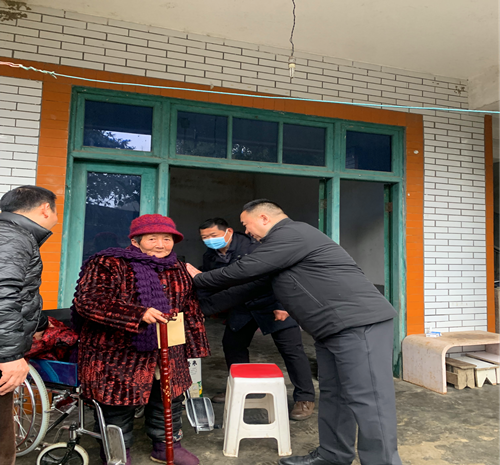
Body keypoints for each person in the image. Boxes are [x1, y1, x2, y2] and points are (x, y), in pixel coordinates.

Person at [187, 200, 403, 465]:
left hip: (358, 324)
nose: (247, 231)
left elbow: (244, 270)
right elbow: (246, 288)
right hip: (329, 329)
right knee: (334, 395)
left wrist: (198, 278)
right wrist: (194, 309)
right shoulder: (278, 250)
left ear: (264, 218)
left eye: (246, 224)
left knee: (369, 401)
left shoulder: (292, 233)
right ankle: (333, 456)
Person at [72, 214, 210, 465]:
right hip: (118, 352)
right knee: (117, 402)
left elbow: (190, 306)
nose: (161, 245)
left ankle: (166, 445)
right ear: (135, 241)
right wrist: (137, 314)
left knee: (168, 398)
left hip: (168, 346)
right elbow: (88, 301)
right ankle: (116, 453)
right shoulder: (109, 263)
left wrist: (194, 345)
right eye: (152, 239)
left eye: (166, 239)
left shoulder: (178, 268)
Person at [197, 218, 315, 420]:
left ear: (228, 232)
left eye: (213, 235)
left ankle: (305, 398)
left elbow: (282, 274)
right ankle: (240, 387)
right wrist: (199, 309)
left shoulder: (255, 247)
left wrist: (283, 305)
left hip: (271, 303)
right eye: (204, 237)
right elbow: (210, 283)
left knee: (292, 350)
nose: (209, 240)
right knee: (232, 345)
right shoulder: (210, 256)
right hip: (242, 305)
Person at [0, 185, 58, 465]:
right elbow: (3, 293)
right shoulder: (13, 237)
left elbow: (20, 293)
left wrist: (41, 321)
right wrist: (10, 356)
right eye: (56, 211)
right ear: (45, 209)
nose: (56, 218)